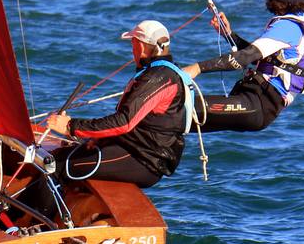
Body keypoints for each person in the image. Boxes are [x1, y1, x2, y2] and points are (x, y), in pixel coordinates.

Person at [45, 20, 193, 188]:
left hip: (144, 160)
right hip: (134, 148)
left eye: (133, 44)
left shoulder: (157, 77)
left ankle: (36, 214)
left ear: (142, 46)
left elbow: (124, 122)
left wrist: (71, 126)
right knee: (61, 154)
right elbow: (139, 125)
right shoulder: (162, 72)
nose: (132, 50)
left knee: (54, 164)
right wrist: (100, 138)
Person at [182, 0, 304, 132]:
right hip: (258, 104)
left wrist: (197, 68)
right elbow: (259, 58)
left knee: (180, 110)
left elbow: (244, 58)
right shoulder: (302, 23)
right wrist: (229, 35)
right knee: (178, 121)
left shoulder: (287, 27)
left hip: (258, 103)